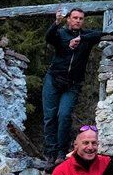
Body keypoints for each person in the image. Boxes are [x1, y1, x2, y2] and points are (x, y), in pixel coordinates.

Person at [42, 8, 104, 164]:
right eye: (75, 18)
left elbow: (100, 34)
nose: (78, 21)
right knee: (50, 117)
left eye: (81, 18)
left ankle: (61, 153)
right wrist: (56, 22)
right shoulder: (61, 34)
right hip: (53, 79)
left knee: (63, 115)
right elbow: (49, 37)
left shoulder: (87, 37)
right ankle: (51, 153)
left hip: (73, 84)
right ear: (68, 19)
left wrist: (80, 39)